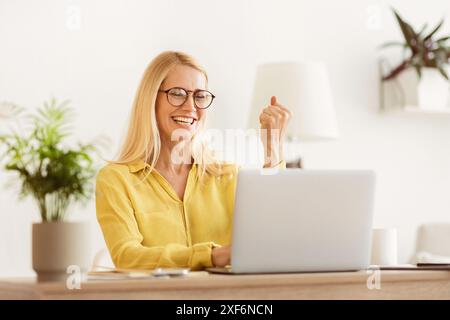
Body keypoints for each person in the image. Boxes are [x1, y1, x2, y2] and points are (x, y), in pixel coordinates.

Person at [95, 51, 291, 270]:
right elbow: (127, 256)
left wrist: (273, 150)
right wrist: (212, 256)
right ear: (151, 100)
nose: (191, 107)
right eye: (178, 94)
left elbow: (272, 237)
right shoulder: (116, 180)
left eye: (199, 96)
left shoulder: (227, 175)